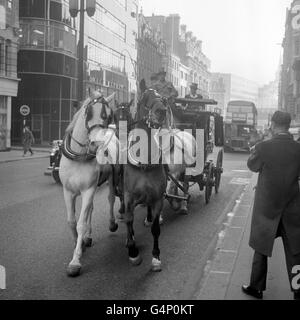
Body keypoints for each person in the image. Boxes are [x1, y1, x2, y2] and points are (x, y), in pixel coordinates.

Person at [242, 111, 300, 300]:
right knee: (295, 251)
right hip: (292, 207)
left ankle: (256, 288)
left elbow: (252, 166)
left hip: (267, 207)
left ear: (273, 124)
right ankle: (298, 290)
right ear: (288, 125)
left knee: (261, 247)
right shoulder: (297, 148)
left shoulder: (263, 147)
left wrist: (260, 144)